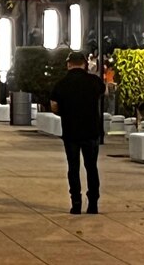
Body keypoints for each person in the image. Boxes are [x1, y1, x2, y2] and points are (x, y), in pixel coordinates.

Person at [50, 51, 106, 215]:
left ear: (68, 64)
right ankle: (93, 203)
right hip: (91, 131)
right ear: (84, 64)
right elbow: (104, 93)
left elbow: (54, 106)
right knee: (91, 167)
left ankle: (76, 203)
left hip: (71, 132)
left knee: (73, 168)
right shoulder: (94, 82)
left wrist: (65, 113)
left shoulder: (61, 84)